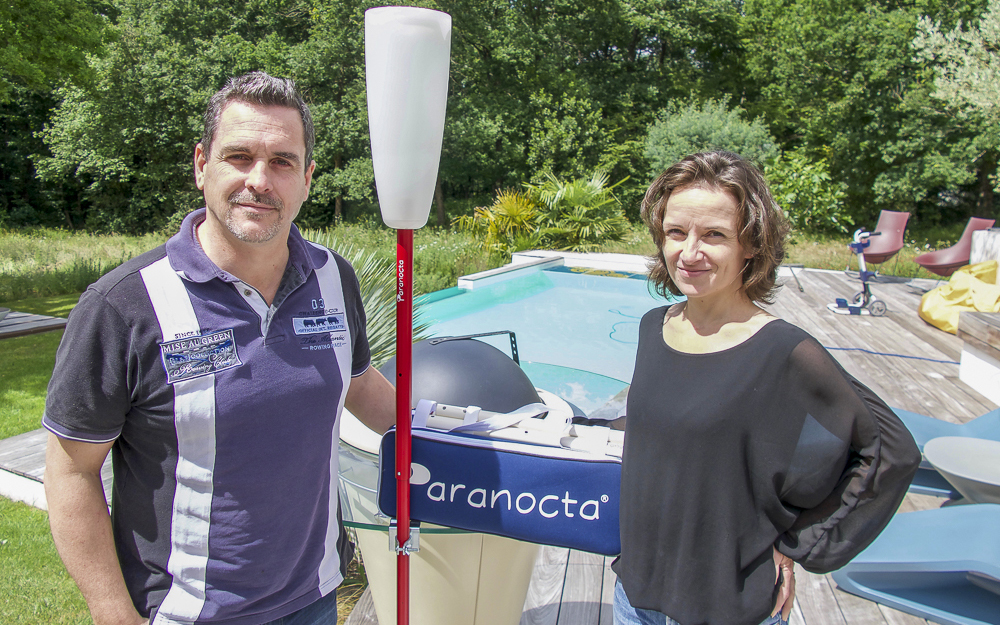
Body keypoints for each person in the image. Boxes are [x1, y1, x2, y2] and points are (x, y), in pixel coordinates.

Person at [42, 71, 396, 625]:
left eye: (282, 161)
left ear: (307, 178)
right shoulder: (124, 305)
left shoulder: (332, 278)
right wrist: (112, 612)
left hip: (315, 597)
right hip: (184, 613)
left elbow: (357, 383)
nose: (260, 179)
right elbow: (71, 471)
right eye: (239, 156)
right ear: (201, 164)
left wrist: (453, 441)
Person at [613, 151, 920, 625]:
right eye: (676, 232)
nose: (689, 252)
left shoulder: (783, 351)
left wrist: (800, 542)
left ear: (751, 244)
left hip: (726, 606)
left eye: (714, 235)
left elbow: (887, 450)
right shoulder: (654, 327)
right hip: (634, 597)